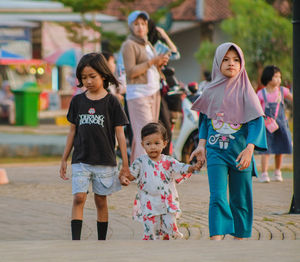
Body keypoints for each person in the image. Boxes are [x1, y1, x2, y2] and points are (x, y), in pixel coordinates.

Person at [190, 43, 267, 240]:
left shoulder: (246, 91)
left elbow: (256, 122)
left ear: (241, 63)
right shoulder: (209, 90)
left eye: (235, 59)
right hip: (216, 151)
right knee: (217, 196)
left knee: (240, 199)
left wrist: (250, 149)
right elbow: (205, 120)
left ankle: (239, 239)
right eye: (225, 59)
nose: (231, 63)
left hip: (240, 153)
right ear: (217, 62)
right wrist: (201, 145)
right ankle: (216, 237)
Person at [59, 53, 130, 240]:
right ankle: (76, 241)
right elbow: (72, 132)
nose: (88, 81)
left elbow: (120, 135)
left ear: (103, 76)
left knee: (100, 200)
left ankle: (101, 241)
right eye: (83, 77)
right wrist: (64, 158)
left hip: (105, 160)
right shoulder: (77, 101)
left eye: (92, 76)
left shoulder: (112, 102)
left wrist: (125, 164)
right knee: (79, 197)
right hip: (81, 159)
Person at [120, 122, 202, 240]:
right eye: (148, 144)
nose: (153, 147)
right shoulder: (140, 162)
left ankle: (169, 246)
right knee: (151, 231)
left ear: (164, 144)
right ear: (143, 144)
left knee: (170, 227)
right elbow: (131, 175)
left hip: (167, 203)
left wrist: (193, 167)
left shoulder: (169, 161)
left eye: (157, 143)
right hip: (149, 204)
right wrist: (124, 178)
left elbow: (181, 167)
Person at [121, 10, 169, 163]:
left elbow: (151, 68)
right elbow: (130, 72)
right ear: (130, 27)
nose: (140, 27)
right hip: (138, 94)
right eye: (136, 24)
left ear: (147, 27)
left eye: (143, 24)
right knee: (147, 133)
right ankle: (146, 170)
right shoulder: (129, 45)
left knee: (144, 133)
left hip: (153, 92)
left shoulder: (147, 43)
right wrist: (152, 62)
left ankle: (137, 169)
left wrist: (159, 63)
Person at [148, 19, 181, 155]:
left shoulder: (159, 46)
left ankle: (164, 157)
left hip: (161, 90)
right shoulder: (138, 46)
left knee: (165, 125)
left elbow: (175, 53)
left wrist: (165, 36)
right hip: (148, 89)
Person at [257, 65, 293, 182]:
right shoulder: (261, 93)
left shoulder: (282, 91)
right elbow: (256, 107)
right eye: (276, 77)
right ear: (268, 78)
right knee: (266, 150)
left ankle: (278, 171)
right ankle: (264, 173)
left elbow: (293, 99)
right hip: (267, 126)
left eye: (279, 77)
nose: (279, 79)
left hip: (281, 125)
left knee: (280, 149)